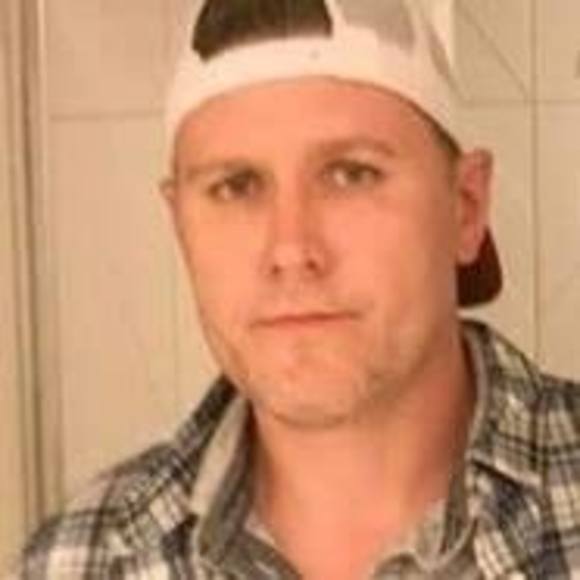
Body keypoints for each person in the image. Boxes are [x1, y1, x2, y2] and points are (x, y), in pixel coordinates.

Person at [12, 0, 580, 578]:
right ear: (178, 223)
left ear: (466, 207)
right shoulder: (79, 563)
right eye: (236, 186)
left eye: (351, 174)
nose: (291, 249)